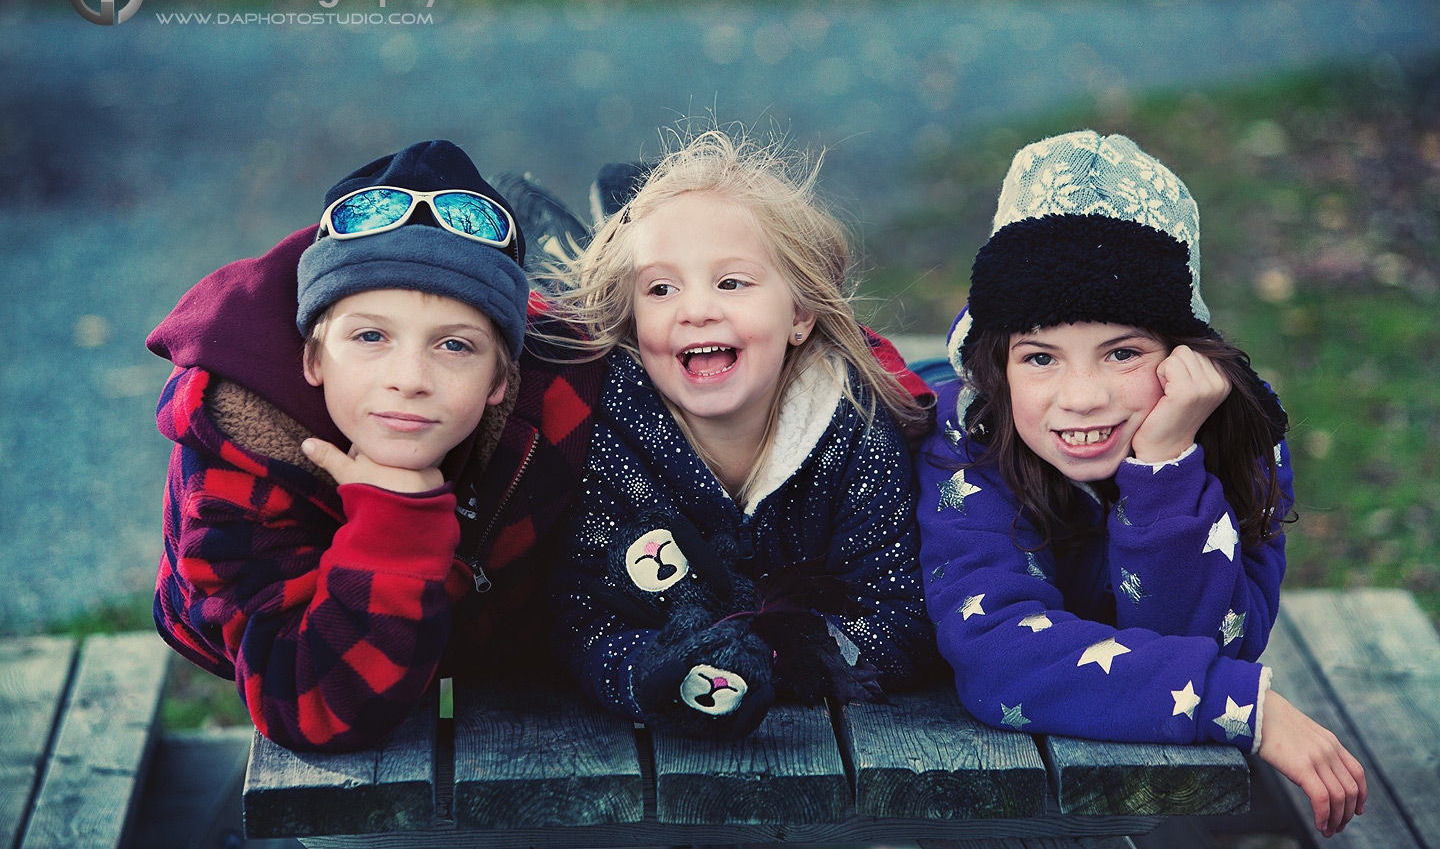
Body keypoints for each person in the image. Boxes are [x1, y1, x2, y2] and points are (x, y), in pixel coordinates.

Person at [916, 130, 1366, 837]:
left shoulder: (1238, 433)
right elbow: (997, 652)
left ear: (1184, 355)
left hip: (1138, 759)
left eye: (1121, 352)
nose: (1082, 396)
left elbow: (1210, 639)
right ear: (997, 366)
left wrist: (1164, 465)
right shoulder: (967, 440)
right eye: (1040, 358)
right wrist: (1238, 703)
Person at [148, 141, 606, 752]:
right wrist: (395, 523)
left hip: (480, 628)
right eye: (370, 336)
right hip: (302, 641)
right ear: (313, 355)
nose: (409, 377)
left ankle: (572, 264)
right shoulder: (234, 452)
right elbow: (313, 709)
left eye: (454, 346)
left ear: (502, 379)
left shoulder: (556, 389)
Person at [543, 128, 938, 739]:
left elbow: (901, 619)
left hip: (800, 693)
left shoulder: (855, 430)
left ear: (801, 315)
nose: (696, 309)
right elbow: (579, 616)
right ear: (633, 317)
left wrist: (769, 661)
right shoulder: (607, 438)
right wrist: (654, 670)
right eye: (660, 288)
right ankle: (583, 220)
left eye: (731, 282)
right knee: (547, 269)